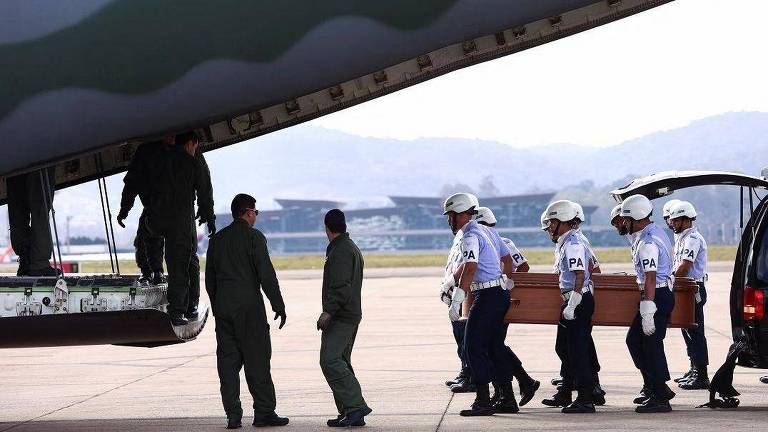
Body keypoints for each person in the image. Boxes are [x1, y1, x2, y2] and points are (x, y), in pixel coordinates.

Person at [205, 193, 289, 429]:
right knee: (257, 360)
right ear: (249, 212)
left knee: (228, 365)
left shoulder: (217, 240)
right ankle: (264, 413)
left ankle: (233, 416)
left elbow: (209, 280)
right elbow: (266, 275)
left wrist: (218, 304)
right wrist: (278, 305)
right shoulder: (254, 238)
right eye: (255, 212)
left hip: (224, 310)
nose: (256, 217)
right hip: (249, 309)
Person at [443, 193, 515, 416]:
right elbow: (508, 260)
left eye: (452, 215)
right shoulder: (489, 231)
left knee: (473, 346)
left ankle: (483, 400)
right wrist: (505, 280)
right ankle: (507, 398)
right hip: (498, 293)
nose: (449, 220)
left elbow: (470, 267)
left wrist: (458, 298)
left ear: (463, 214)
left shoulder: (469, 235)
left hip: (486, 295)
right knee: (493, 346)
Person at [145, 131, 215, 325]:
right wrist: (209, 218)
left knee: (179, 263)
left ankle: (186, 306)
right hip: (181, 222)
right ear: (191, 144)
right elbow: (204, 191)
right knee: (183, 266)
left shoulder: (161, 160)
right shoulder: (192, 163)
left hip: (158, 222)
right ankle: (181, 310)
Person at [473, 206, 540, 409]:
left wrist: (508, 283)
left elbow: (523, 267)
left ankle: (512, 388)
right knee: (494, 345)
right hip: (491, 297)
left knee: (493, 346)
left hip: (498, 298)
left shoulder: (502, 242)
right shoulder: (489, 240)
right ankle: (517, 384)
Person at [540, 200, 598, 413]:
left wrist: (573, 303)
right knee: (564, 347)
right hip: (574, 298)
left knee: (577, 350)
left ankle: (585, 398)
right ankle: (566, 391)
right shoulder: (566, 241)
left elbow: (580, 274)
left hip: (577, 300)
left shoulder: (572, 242)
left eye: (552, 222)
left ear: (561, 221)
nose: (549, 228)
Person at [317, 209, 372, 427]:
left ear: (327, 228)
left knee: (329, 360)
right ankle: (350, 411)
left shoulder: (340, 251)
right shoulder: (350, 247)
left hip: (341, 316)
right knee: (341, 361)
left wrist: (327, 311)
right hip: (349, 314)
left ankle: (356, 406)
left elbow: (340, 287)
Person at [621, 194, 675, 413]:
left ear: (636, 216)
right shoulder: (653, 232)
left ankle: (660, 396)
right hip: (658, 294)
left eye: (626, 218)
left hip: (656, 296)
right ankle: (657, 387)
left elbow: (650, 277)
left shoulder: (647, 242)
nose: (624, 223)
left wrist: (648, 310)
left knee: (650, 346)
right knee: (636, 341)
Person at [117, 135, 175, 285]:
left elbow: (131, 184)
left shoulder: (147, 151)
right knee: (147, 238)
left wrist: (124, 210)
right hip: (170, 207)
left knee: (147, 237)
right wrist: (124, 209)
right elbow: (132, 184)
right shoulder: (181, 149)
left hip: (161, 207)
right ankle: (154, 272)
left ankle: (152, 272)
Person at [669, 201, 710, 390]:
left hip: (693, 288)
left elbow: (685, 266)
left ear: (686, 219)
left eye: (676, 220)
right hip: (685, 288)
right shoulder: (682, 237)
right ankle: (694, 368)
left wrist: (670, 281)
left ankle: (701, 374)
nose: (672, 223)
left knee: (695, 331)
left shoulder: (692, 238)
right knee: (687, 330)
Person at [7, 168, 59, 277]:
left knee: (17, 204)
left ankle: (25, 259)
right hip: (37, 156)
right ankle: (38, 263)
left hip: (10, 157)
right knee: (40, 205)